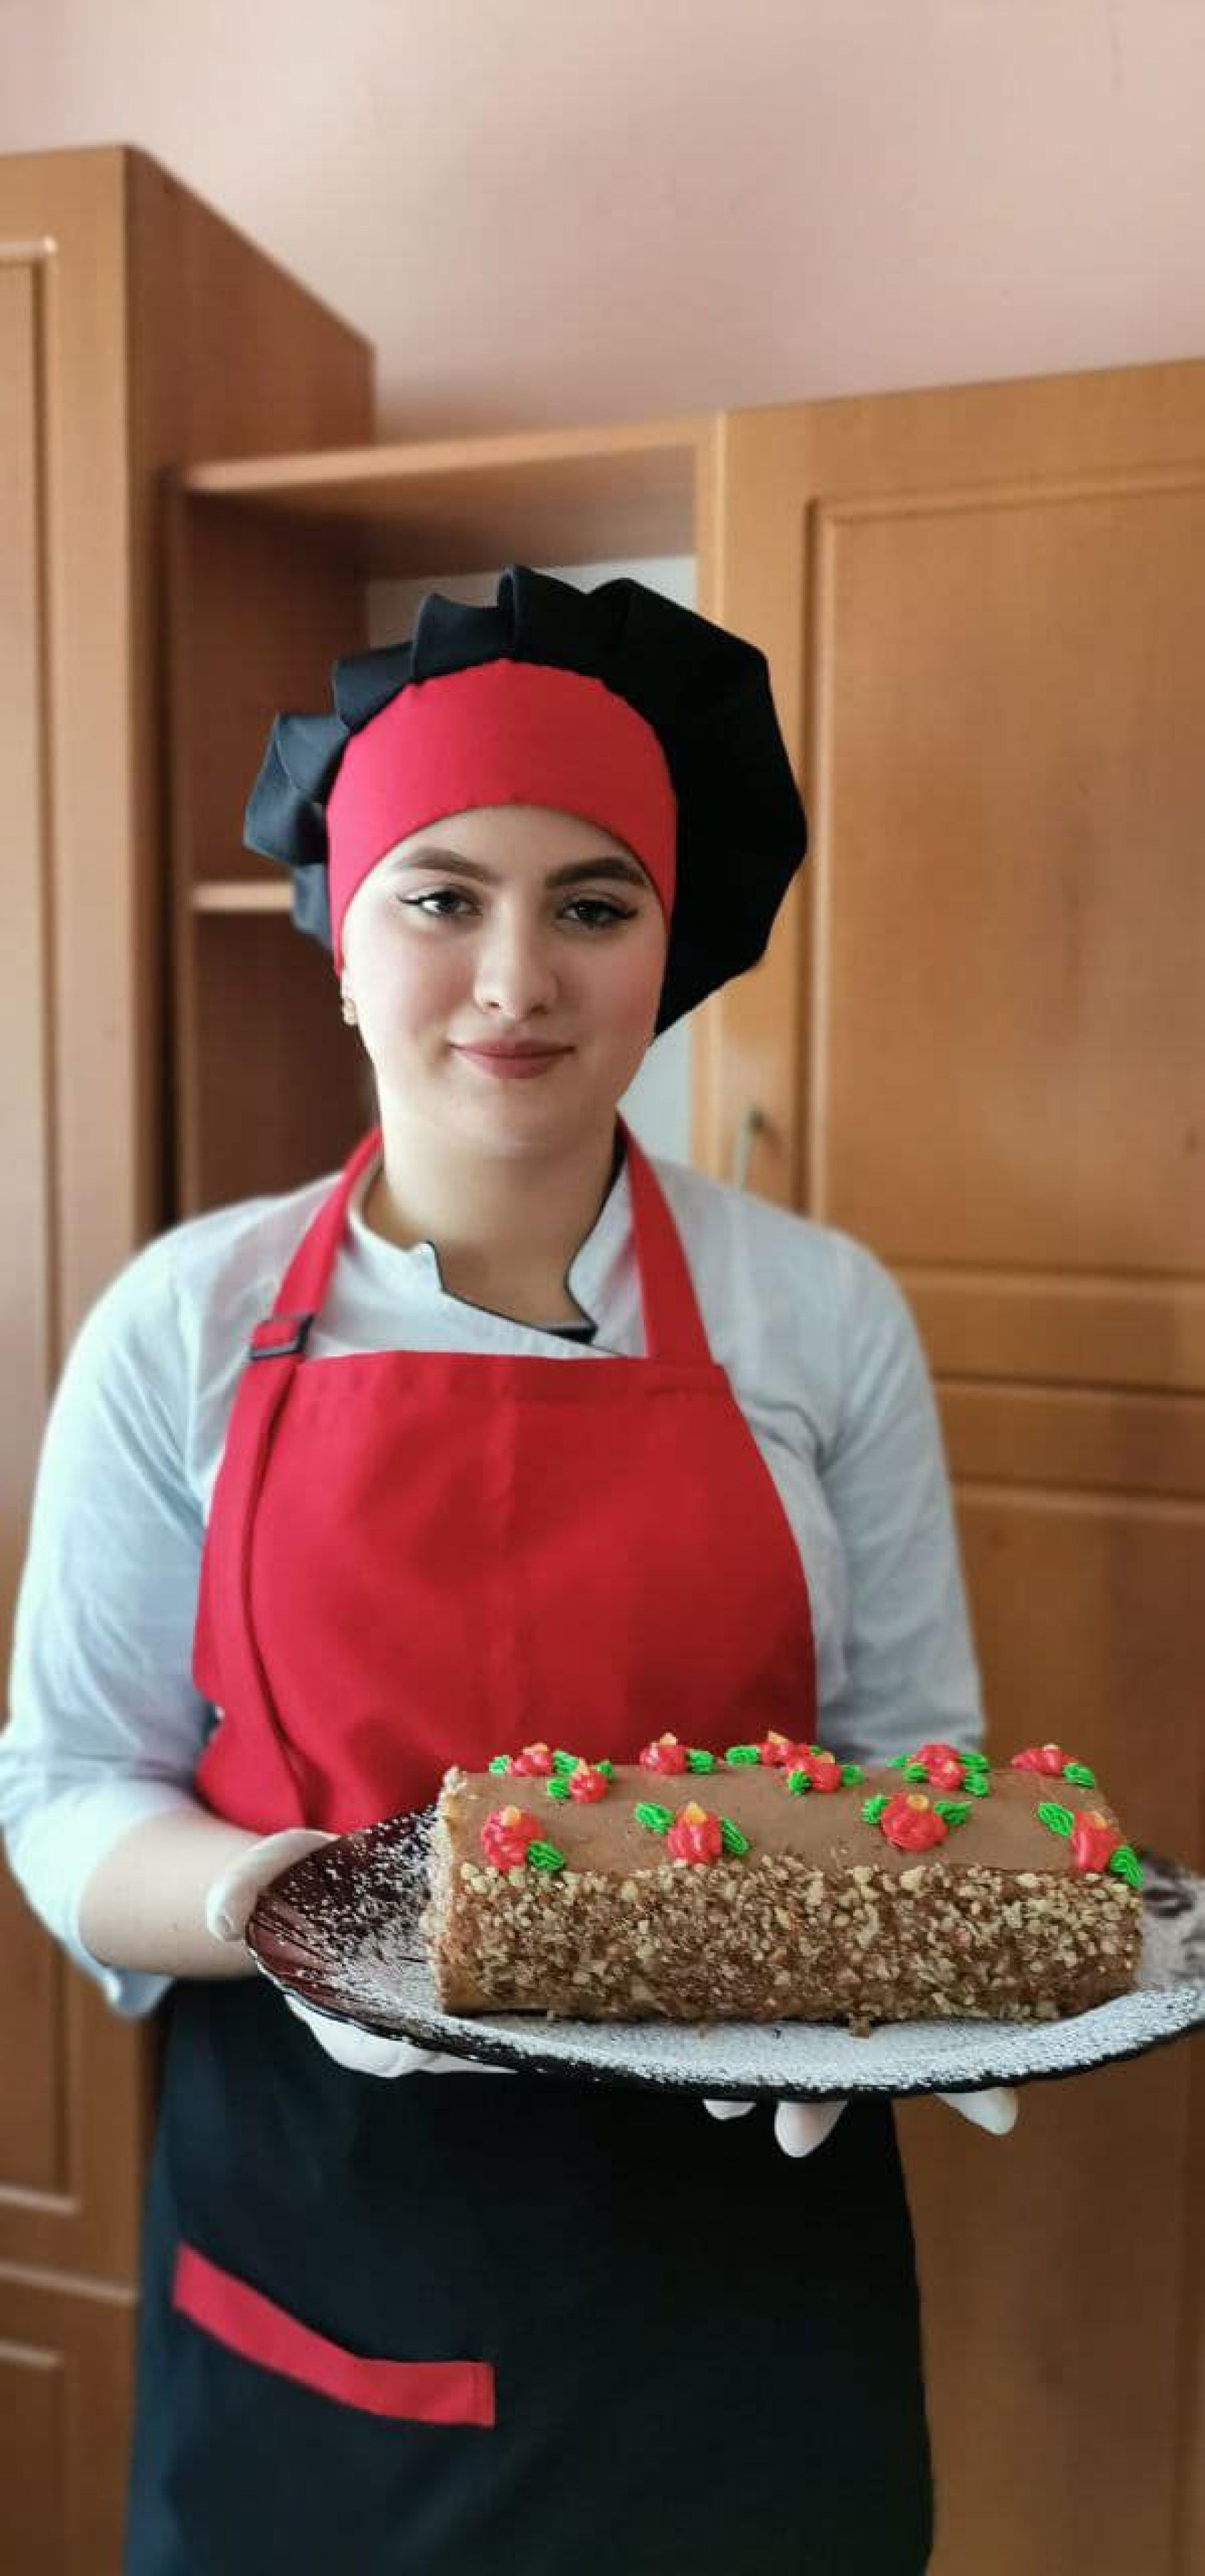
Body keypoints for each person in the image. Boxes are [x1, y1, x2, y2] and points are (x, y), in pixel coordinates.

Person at [1, 565, 1014, 2575]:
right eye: (444, 897)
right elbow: (66, 1791)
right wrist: (288, 1906)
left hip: (740, 2254)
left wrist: (885, 1995)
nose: (515, 978)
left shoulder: (818, 1314)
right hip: (326, 2240)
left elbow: (917, 1769)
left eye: (593, 906)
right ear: (343, 938)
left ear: (670, 949)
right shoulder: (185, 1325)